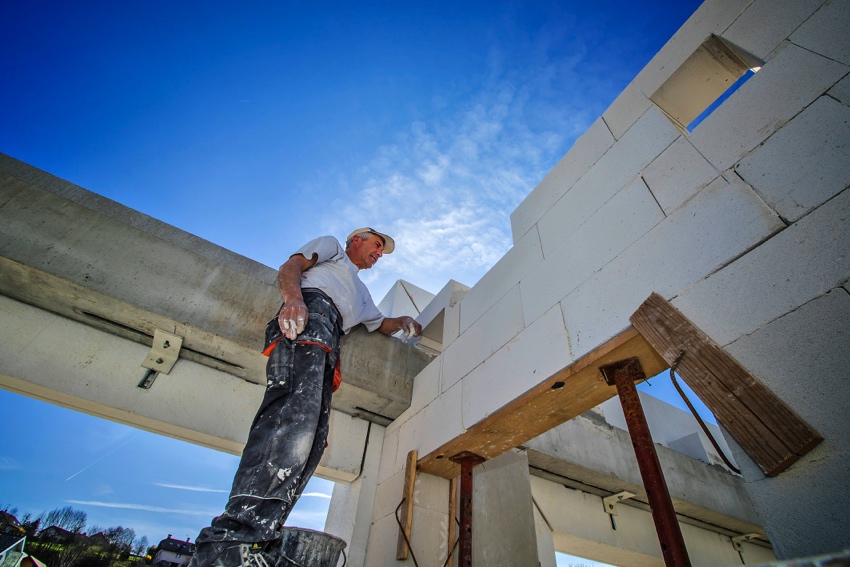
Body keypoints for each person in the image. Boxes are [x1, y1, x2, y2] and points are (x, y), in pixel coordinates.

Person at [188, 228, 421, 567]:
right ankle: (233, 538)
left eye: (382, 252)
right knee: (289, 423)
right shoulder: (331, 250)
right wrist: (294, 300)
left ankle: (262, 535)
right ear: (357, 239)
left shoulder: (361, 292)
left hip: (330, 341)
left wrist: (401, 321)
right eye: (376, 245)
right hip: (310, 319)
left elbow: (379, 323)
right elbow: (291, 268)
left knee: (311, 442)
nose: (378, 254)